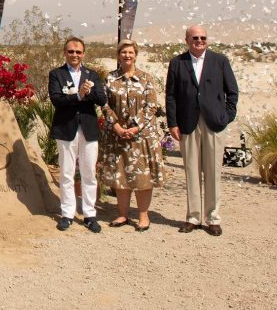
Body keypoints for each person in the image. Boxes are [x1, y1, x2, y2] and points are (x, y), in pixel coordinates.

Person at [165, 25, 239, 236]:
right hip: (187, 123)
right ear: (187, 39)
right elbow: (170, 96)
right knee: (191, 171)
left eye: (203, 37)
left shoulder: (220, 61)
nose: (199, 40)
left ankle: (213, 218)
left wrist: (227, 116)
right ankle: (193, 217)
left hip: (214, 123)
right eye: (195, 37)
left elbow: (232, 92)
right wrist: (173, 123)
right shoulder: (177, 63)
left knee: (213, 172)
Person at [100, 39, 165, 232]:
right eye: (123, 52)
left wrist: (135, 127)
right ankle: (123, 214)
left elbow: (151, 105)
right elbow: (104, 104)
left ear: (135, 54)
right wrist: (117, 126)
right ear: (118, 56)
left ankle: (143, 216)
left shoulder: (146, 78)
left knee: (143, 176)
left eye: (130, 52)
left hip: (142, 136)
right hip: (118, 135)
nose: (127, 56)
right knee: (121, 174)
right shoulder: (110, 78)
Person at [48, 36, 106, 233]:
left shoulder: (92, 74)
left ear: (83, 54)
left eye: (78, 52)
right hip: (66, 128)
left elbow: (101, 98)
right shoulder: (56, 74)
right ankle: (67, 214)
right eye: (71, 51)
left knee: (89, 172)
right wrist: (79, 95)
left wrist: (87, 93)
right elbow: (57, 99)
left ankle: (90, 214)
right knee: (66, 173)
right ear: (65, 53)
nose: (74, 55)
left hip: (88, 128)